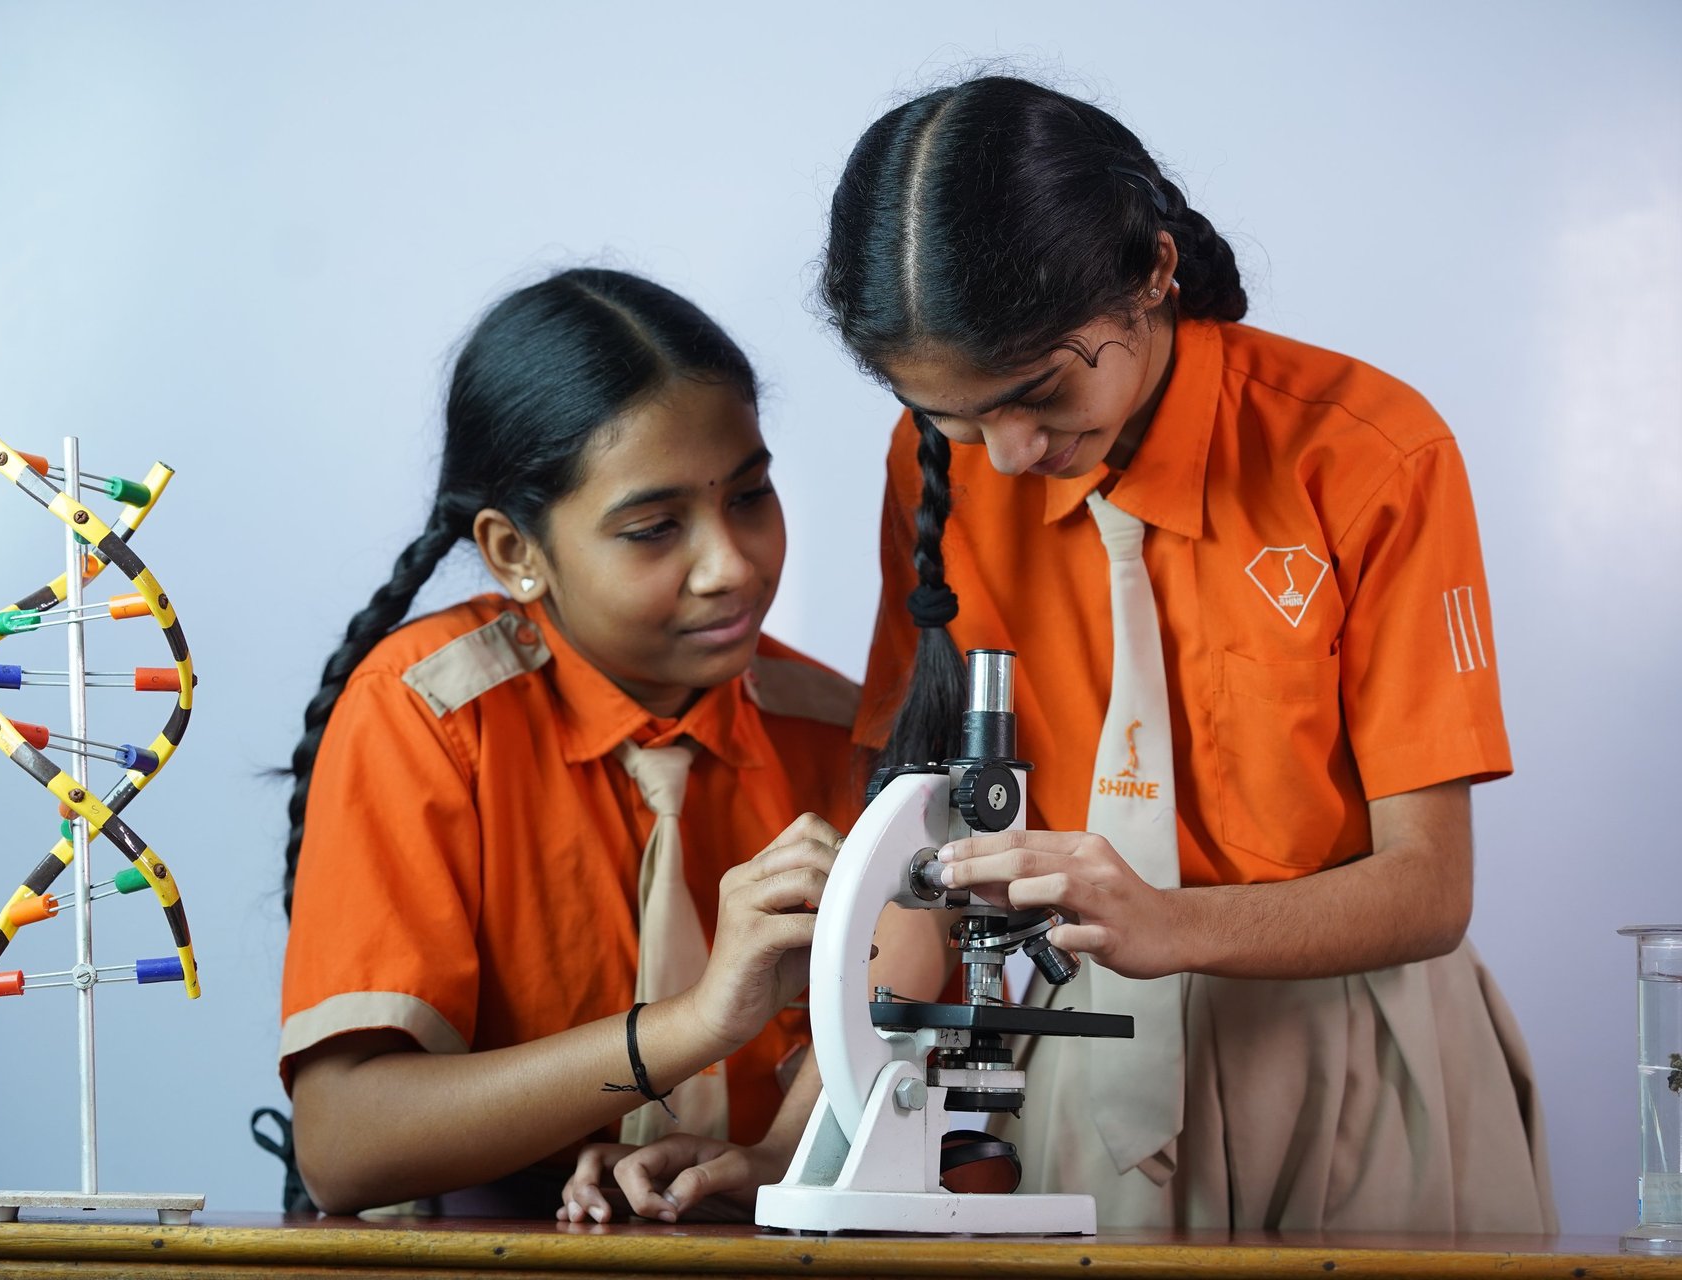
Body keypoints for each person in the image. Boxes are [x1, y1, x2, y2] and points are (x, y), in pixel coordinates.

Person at [575, 76, 1558, 1232]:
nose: (1011, 448)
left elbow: (1429, 888)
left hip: (1347, 1063)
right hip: (1060, 1062)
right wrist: (794, 1145)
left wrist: (1169, 923)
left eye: (1041, 390)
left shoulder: (1367, 454)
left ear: (1150, 270)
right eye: (955, 413)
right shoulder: (939, 469)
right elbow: (927, 849)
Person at [278, 267, 863, 1217]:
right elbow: (344, 1144)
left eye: (749, 497)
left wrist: (762, 1157)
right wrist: (692, 1025)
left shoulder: (835, 732)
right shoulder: (428, 714)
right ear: (516, 552)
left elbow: (890, 1074)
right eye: (654, 528)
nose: (732, 565)